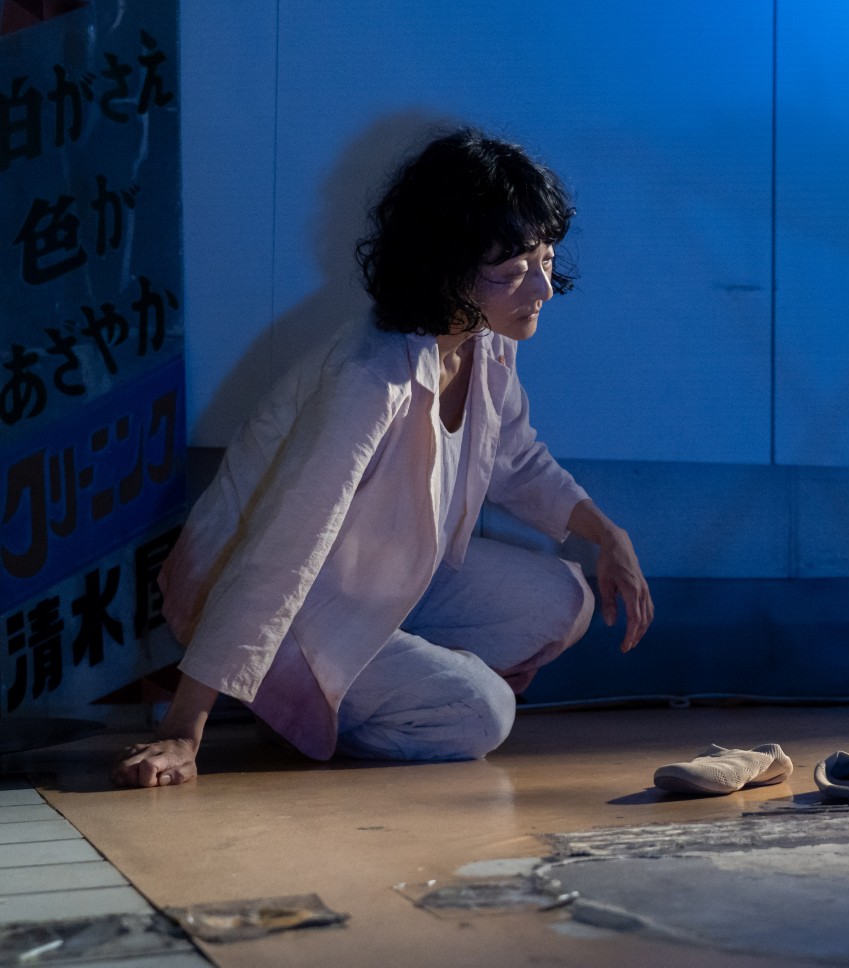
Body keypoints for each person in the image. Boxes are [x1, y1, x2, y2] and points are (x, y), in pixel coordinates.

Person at [112, 128, 652, 788]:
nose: (541, 288)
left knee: (564, 599)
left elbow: (514, 457)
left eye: (545, 260)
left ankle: (342, 697)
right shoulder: (370, 380)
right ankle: (297, 703)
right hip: (298, 604)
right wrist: (183, 729)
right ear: (446, 270)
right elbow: (280, 551)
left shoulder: (485, 339)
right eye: (513, 273)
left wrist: (607, 534)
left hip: (384, 582)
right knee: (484, 712)